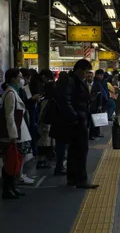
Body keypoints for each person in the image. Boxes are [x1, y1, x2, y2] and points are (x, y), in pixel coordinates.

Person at [51, 59, 98, 189]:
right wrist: (76, 117)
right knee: (81, 150)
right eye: (86, 72)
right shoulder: (70, 81)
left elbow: (74, 99)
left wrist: (88, 99)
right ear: (80, 70)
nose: (86, 75)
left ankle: (72, 178)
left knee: (74, 151)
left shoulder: (74, 81)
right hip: (77, 122)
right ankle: (81, 180)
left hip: (78, 120)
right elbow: (65, 102)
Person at [0, 69, 32, 199]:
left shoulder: (13, 92)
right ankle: (7, 189)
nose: (22, 79)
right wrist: (13, 136)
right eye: (20, 76)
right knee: (10, 162)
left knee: (14, 161)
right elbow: (9, 116)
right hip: (13, 136)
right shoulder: (11, 93)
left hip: (16, 133)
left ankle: (12, 187)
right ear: (13, 79)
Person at [36, 69, 57, 169]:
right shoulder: (49, 101)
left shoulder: (45, 101)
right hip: (46, 124)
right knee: (45, 141)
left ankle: (42, 160)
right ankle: (41, 161)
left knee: (45, 141)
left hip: (45, 124)